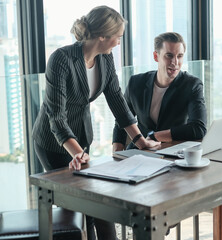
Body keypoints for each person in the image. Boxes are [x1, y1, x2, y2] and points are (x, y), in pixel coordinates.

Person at [32, 5, 160, 240]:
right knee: (78, 205)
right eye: (117, 37)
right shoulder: (62, 58)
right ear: (102, 35)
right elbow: (56, 116)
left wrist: (140, 141)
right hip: (54, 142)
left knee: (97, 202)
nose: (119, 43)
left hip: (81, 138)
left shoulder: (105, 58)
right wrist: (77, 154)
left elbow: (117, 100)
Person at [112, 32, 207, 151]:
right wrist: (117, 153)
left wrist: (155, 136)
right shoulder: (136, 83)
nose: (175, 62)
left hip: (174, 152)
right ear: (156, 56)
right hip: (140, 152)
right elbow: (122, 120)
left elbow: (198, 128)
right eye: (169, 55)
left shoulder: (192, 85)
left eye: (180, 56)